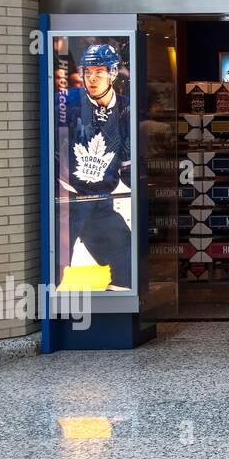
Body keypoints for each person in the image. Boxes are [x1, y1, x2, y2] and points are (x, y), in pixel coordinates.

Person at [57, 43, 133, 290]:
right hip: (68, 201)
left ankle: (116, 322)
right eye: (88, 71)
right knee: (53, 268)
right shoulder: (67, 102)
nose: (92, 77)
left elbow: (128, 160)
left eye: (99, 71)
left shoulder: (126, 108)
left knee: (126, 263)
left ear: (113, 73)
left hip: (101, 201)